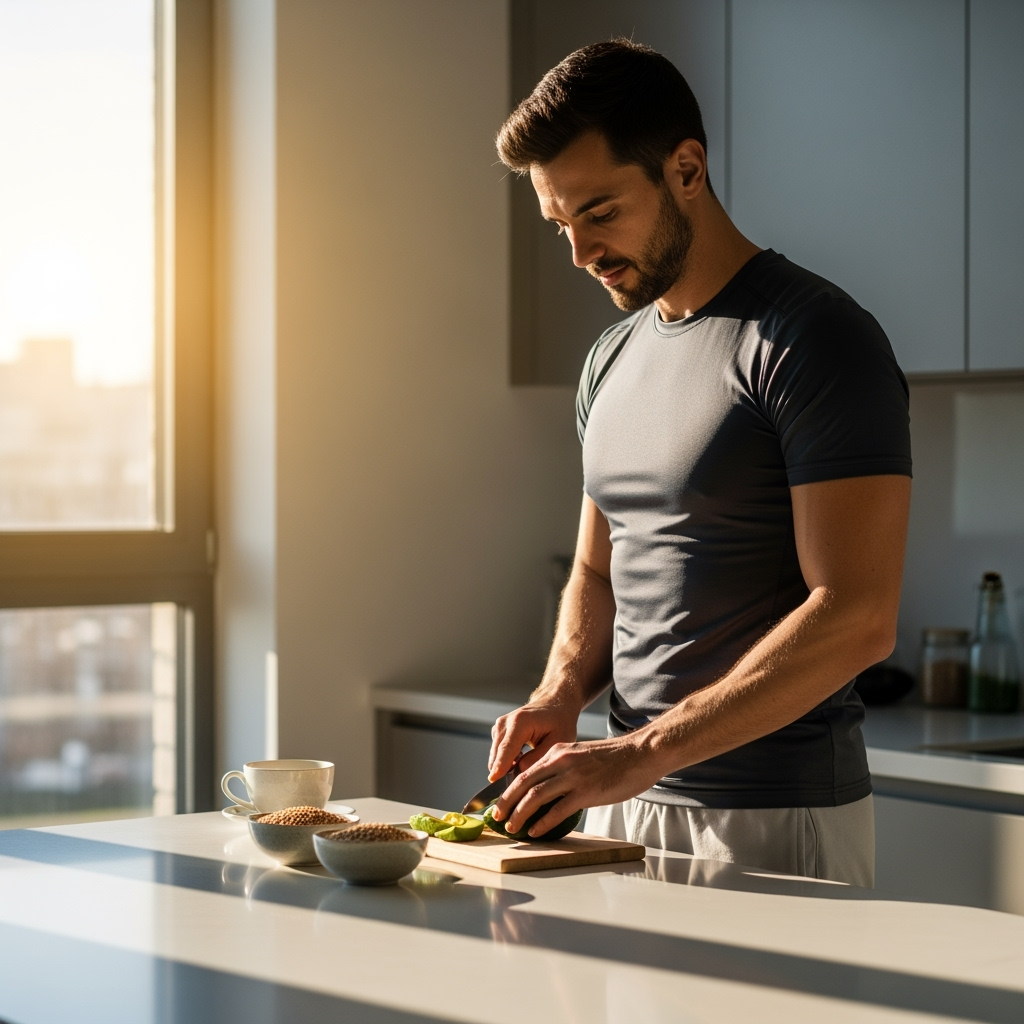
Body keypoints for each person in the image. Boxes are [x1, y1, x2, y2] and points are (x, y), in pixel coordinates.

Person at [486, 40, 912, 887]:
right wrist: (561, 693)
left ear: (686, 168)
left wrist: (638, 752)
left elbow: (858, 615)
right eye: (560, 224)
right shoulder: (610, 357)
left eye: (600, 212)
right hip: (618, 802)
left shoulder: (815, 339)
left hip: (775, 816)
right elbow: (596, 571)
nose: (580, 253)